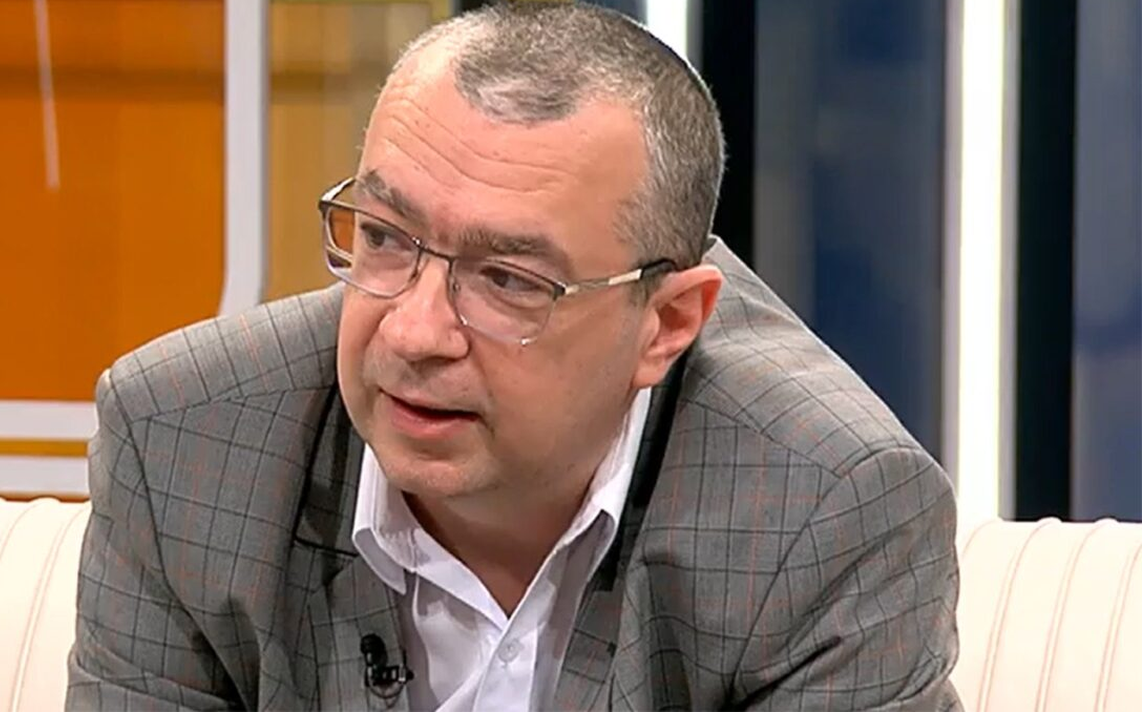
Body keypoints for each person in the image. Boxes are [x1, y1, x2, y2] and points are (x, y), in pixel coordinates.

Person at [66, 2, 960, 710]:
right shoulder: (185, 442)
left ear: (665, 323)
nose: (413, 333)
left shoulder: (826, 510)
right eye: (385, 237)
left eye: (507, 280)